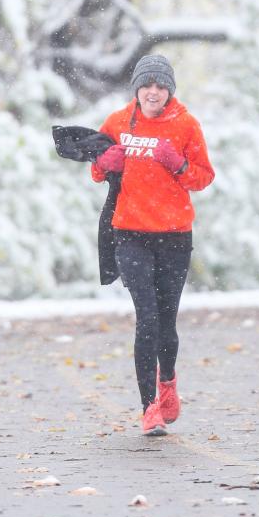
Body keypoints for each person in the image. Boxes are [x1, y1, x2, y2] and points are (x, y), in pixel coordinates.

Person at [92, 53, 215, 436]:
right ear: (137, 88)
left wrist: (177, 164)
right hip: (129, 234)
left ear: (169, 90)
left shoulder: (186, 125)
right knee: (146, 318)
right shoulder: (117, 122)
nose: (153, 91)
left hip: (175, 237)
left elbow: (203, 178)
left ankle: (169, 383)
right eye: (147, 84)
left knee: (165, 322)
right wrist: (105, 161)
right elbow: (97, 170)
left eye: (160, 85)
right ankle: (149, 408)